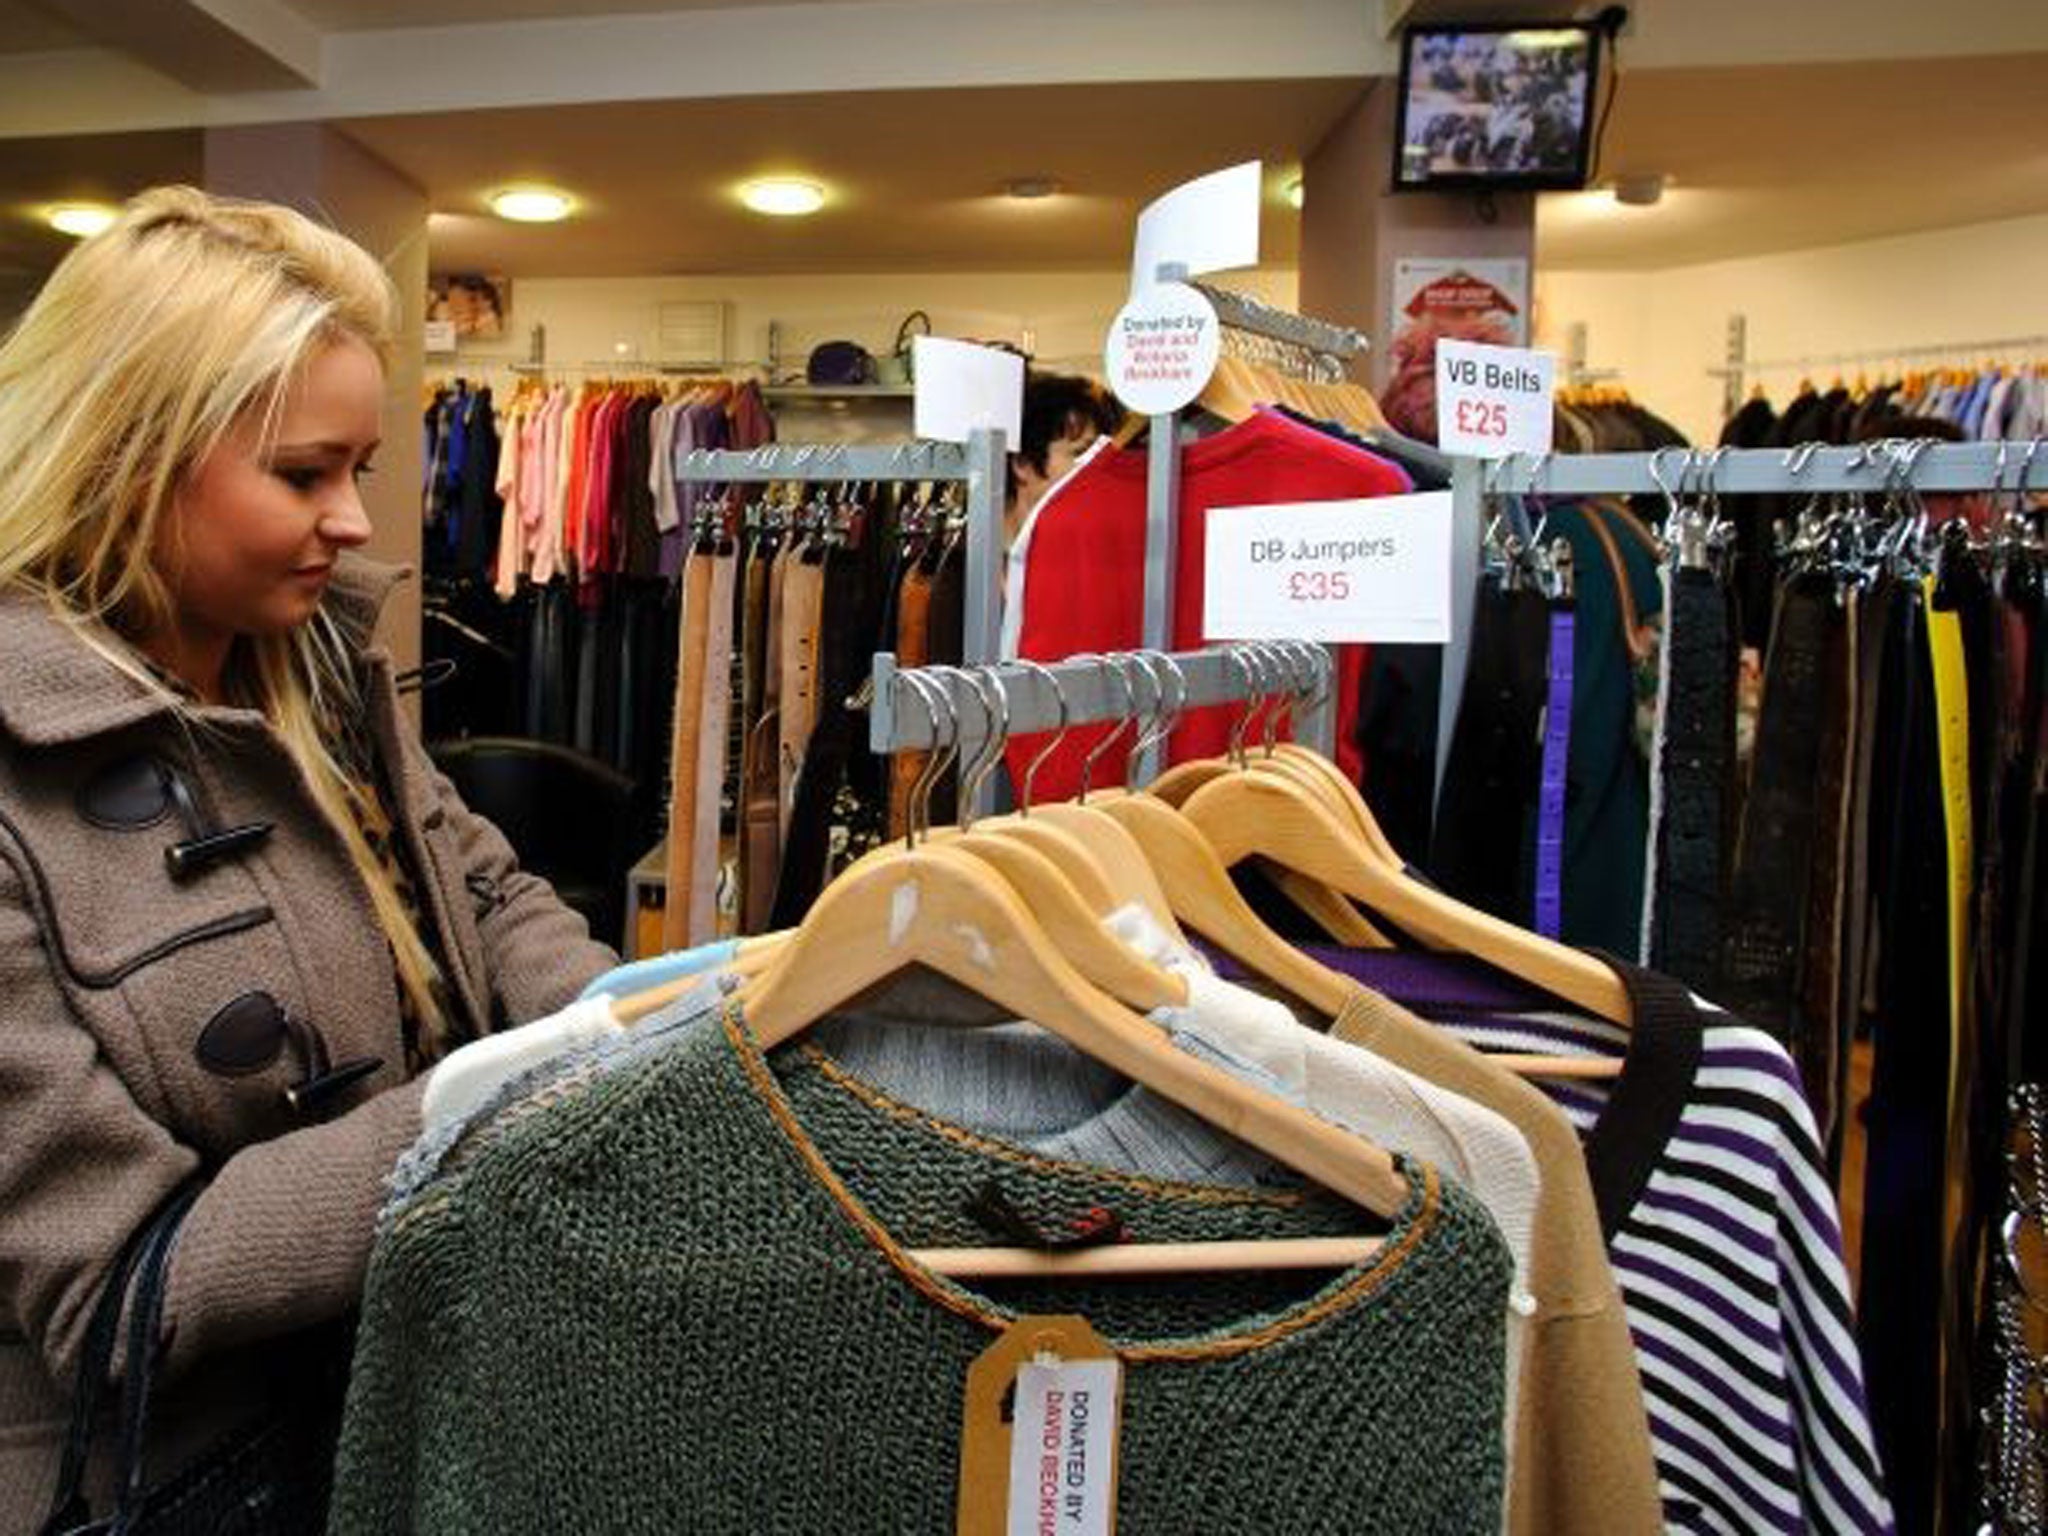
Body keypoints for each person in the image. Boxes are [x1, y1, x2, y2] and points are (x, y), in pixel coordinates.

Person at [0, 186, 617, 1530]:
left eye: (361, 468)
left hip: (381, 1429)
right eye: (303, 474)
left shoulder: (319, 674)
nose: (354, 520)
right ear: (130, 455)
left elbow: (481, 890)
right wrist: (498, 1104)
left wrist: (637, 1026)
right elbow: (118, 1294)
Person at [1004, 370, 1124, 545]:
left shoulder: (1092, 543)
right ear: (1023, 464)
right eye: (1080, 453)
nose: (1096, 467)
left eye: (1099, 455)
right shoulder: (965, 560)